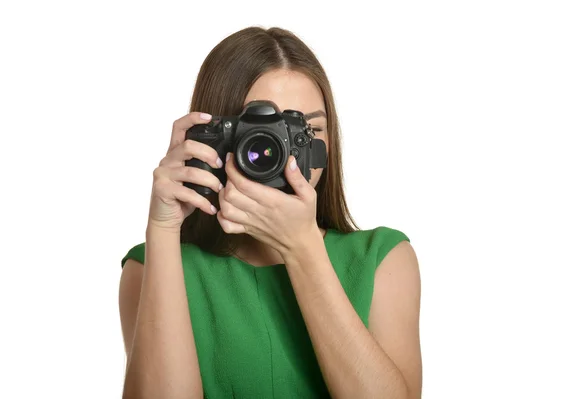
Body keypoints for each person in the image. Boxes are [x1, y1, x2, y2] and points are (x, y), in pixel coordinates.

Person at [119, 26, 422, 398]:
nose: (280, 153)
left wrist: (302, 248)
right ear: (216, 137)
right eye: (260, 131)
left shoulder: (382, 259)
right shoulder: (152, 267)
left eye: (306, 129)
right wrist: (162, 229)